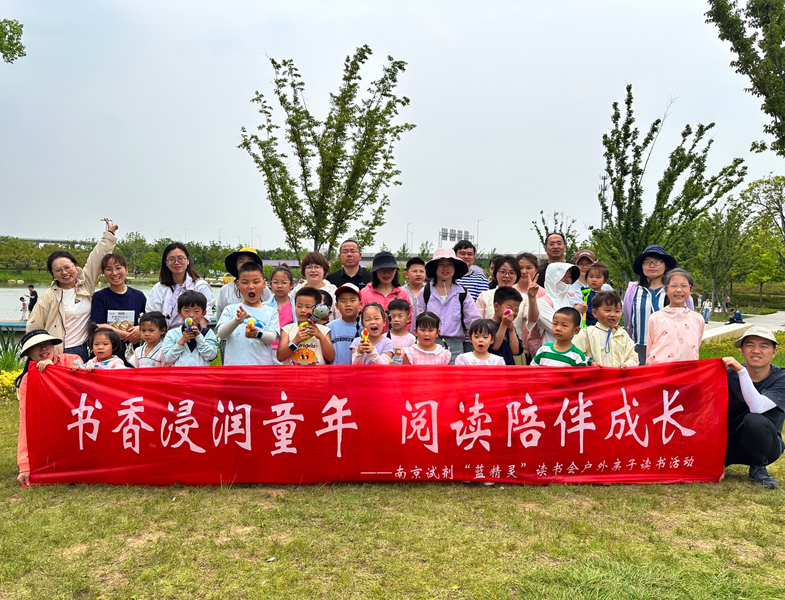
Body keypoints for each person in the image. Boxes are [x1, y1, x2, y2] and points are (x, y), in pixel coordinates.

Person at [27, 219, 118, 361]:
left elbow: (96, 258)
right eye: (58, 270)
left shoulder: (86, 284)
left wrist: (109, 234)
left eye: (68, 267)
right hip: (58, 352)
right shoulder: (48, 297)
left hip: (82, 350)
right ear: (53, 274)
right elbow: (34, 327)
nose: (64, 272)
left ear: (75, 266)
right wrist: (39, 356)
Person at [14, 330, 82, 486]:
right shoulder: (28, 380)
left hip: (79, 424)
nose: (43, 348)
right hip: (52, 431)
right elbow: (26, 420)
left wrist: (53, 370)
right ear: (28, 354)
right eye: (37, 346)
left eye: (47, 344)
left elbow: (84, 382)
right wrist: (24, 465)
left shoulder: (72, 360)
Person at [723, 326, 785, 488]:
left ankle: (758, 466)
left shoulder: (781, 378)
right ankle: (718, 462)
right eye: (750, 345)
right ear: (742, 350)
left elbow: (757, 407)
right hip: (728, 443)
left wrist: (742, 372)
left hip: (767, 446)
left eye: (763, 346)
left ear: (774, 352)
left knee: (755, 420)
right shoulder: (726, 375)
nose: (756, 350)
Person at [623, 245, 694, 365]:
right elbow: (627, 318)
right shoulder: (633, 290)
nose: (652, 265)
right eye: (647, 262)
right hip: (638, 347)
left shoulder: (676, 290)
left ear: (665, 266)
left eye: (656, 262)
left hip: (669, 349)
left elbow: (689, 319)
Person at [413, 248, 482, 364]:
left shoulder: (462, 293)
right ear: (435, 268)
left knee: (455, 375)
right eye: (441, 264)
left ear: (455, 268)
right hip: (428, 344)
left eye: (449, 265)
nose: (445, 268)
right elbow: (416, 320)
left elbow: (474, 321)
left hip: (455, 347)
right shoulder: (425, 292)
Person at [217, 262, 280, 366]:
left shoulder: (271, 312)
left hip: (261, 369)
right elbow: (221, 334)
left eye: (256, 282)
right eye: (245, 282)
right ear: (238, 284)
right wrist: (236, 321)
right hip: (234, 369)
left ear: (264, 284)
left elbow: (272, 338)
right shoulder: (230, 309)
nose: (251, 287)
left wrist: (257, 334)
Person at [91, 253, 147, 360]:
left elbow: (149, 320)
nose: (114, 273)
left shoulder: (138, 296)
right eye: (109, 269)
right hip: (106, 354)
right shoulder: (99, 297)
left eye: (118, 268)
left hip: (133, 353)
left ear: (126, 270)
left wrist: (140, 329)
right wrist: (127, 336)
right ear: (103, 273)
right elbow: (98, 325)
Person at [146, 242, 215, 329]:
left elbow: (206, 316)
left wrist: (194, 334)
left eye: (180, 258)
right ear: (166, 263)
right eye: (171, 259)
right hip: (164, 335)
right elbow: (151, 316)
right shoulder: (158, 288)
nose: (176, 262)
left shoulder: (201, 286)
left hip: (193, 333)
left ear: (188, 260)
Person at [646, 269, 704, 364]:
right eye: (674, 286)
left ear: (690, 289)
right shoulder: (656, 318)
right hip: (661, 370)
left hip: (688, 370)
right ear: (666, 290)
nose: (679, 290)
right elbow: (650, 347)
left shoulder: (697, 319)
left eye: (684, 286)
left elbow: (696, 345)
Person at [573, 291, 638, 367]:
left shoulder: (623, 334)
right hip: (596, 374)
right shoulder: (587, 333)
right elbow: (574, 354)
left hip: (620, 374)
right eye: (608, 310)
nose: (613, 314)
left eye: (617, 311)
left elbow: (633, 357)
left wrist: (626, 365)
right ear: (595, 313)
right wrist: (589, 362)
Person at [278, 287, 335, 365]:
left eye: (308, 307)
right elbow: (280, 357)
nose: (303, 310)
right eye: (299, 306)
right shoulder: (287, 329)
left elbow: (330, 357)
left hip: (317, 372)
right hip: (293, 372)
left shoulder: (323, 330)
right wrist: (295, 341)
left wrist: (321, 337)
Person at [162, 291, 219, 367]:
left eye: (196, 311)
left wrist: (199, 336)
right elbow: (168, 359)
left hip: (201, 374)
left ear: (204, 313)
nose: (191, 315)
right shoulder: (172, 334)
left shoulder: (208, 333)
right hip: (179, 374)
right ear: (179, 312)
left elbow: (211, 356)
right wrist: (181, 341)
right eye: (186, 311)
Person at [531, 262, 582, 346]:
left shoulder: (573, 298)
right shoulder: (542, 302)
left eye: (569, 276)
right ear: (553, 278)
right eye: (563, 276)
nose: (567, 280)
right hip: (550, 350)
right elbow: (556, 328)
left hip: (575, 349)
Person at [359, 251, 412, 331]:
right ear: (376, 271)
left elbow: (409, 320)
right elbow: (360, 318)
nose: (386, 273)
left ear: (395, 271)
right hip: (372, 337)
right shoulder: (365, 293)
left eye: (390, 270)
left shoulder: (403, 294)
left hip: (397, 338)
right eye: (382, 270)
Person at [216, 247, 271, 319]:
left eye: (250, 261)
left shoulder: (264, 290)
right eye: (241, 261)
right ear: (236, 265)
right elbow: (219, 318)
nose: (245, 264)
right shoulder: (225, 290)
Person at [513, 252, 544, 363]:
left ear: (536, 270)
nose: (524, 271)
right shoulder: (510, 291)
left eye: (528, 268)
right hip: (513, 345)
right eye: (520, 268)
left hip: (535, 348)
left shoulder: (543, 293)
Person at [265, 266, 296, 359]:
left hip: (288, 348)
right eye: (275, 282)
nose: (279, 286)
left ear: (291, 285)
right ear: (270, 284)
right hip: (268, 347)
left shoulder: (296, 307)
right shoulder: (264, 306)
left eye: (284, 282)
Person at [328, 283, 363, 365]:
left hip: (359, 370)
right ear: (337, 306)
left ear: (360, 304)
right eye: (343, 301)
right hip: (336, 371)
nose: (348, 304)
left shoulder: (365, 326)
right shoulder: (330, 327)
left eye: (352, 300)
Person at [488, 286, 524, 365]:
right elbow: (494, 347)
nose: (513, 313)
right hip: (493, 368)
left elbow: (516, 351)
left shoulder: (511, 328)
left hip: (509, 368)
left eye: (516, 310)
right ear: (496, 306)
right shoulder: (487, 326)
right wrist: (503, 325)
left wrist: (511, 330)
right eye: (509, 308)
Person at [584, 262, 611, 327]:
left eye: (598, 277)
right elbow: (574, 301)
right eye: (591, 277)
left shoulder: (607, 296)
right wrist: (578, 307)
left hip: (602, 326)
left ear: (605, 280)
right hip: (586, 325)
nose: (594, 280)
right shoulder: (583, 292)